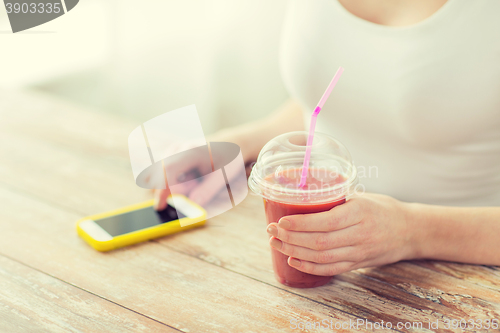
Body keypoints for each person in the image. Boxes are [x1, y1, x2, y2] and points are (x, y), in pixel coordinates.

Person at [155, 0, 500, 276]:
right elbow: (334, 102)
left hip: (467, 278)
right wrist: (243, 141)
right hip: (331, 262)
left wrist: (413, 231)